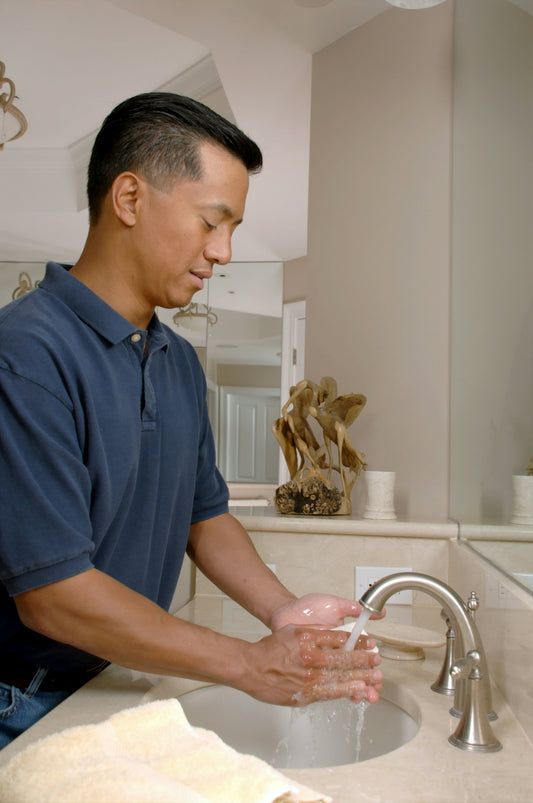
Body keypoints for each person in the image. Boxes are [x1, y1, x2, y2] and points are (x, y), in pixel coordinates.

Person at [0, 92, 382, 750]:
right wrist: (246, 662)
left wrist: (279, 609)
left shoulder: (176, 360)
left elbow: (205, 516)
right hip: (21, 696)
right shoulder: (26, 352)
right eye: (212, 222)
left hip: (115, 673)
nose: (225, 251)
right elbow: (52, 594)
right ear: (129, 198)